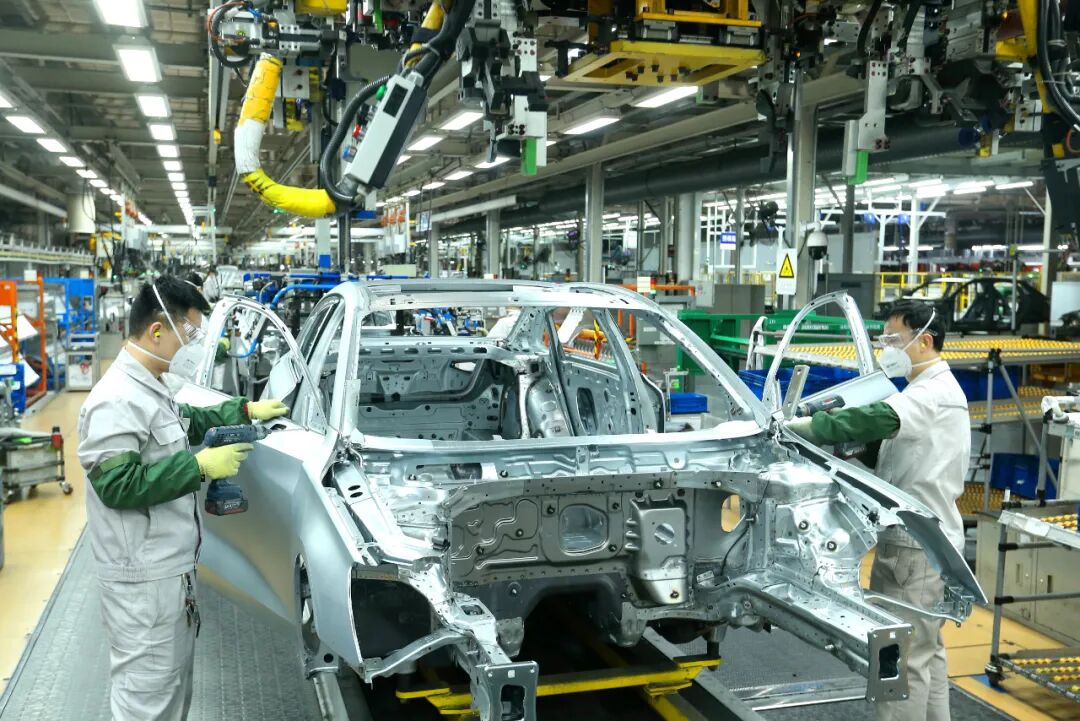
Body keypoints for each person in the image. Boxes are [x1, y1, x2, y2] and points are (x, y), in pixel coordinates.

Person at [77, 276, 288, 721]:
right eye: (188, 334)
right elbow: (117, 486)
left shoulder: (150, 387)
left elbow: (184, 419)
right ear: (157, 330)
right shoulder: (114, 400)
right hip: (142, 583)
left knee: (171, 695)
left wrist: (243, 410)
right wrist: (199, 467)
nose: (191, 346)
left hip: (168, 573)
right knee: (147, 702)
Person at [787, 300, 968, 721]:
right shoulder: (930, 392)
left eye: (893, 339)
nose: (887, 347)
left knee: (898, 658)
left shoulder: (930, 394)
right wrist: (853, 451)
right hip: (929, 541)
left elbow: (876, 419)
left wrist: (808, 428)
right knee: (926, 653)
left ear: (924, 341)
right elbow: (897, 452)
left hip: (913, 549)